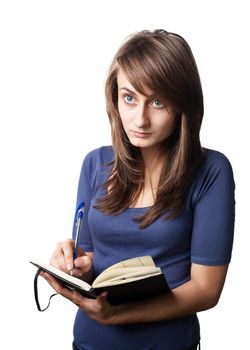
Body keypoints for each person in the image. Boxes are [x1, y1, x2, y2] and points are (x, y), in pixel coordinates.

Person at [41, 29, 235, 350]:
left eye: (157, 102)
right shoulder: (95, 164)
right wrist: (74, 264)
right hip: (89, 343)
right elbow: (91, 258)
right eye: (129, 98)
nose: (140, 119)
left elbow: (206, 290)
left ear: (182, 104)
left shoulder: (211, 171)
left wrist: (116, 316)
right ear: (115, 98)